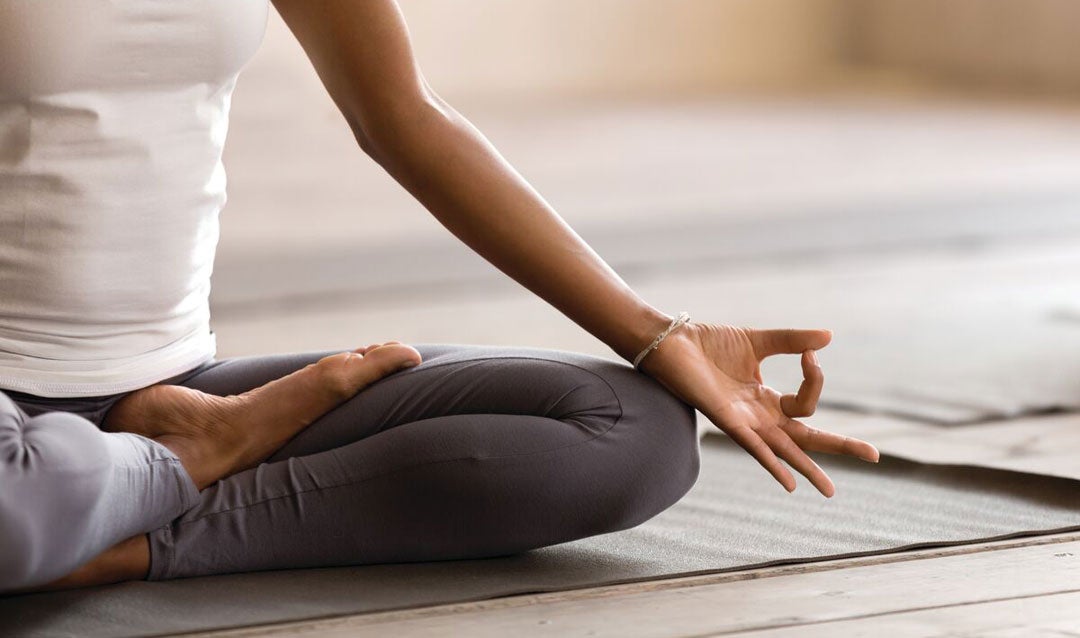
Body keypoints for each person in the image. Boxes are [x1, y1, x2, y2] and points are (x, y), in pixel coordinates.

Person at [0, 0, 879, 594]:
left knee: (633, 435)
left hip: (171, 392)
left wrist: (658, 335)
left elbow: (405, 119)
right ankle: (145, 484)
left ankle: (117, 520)